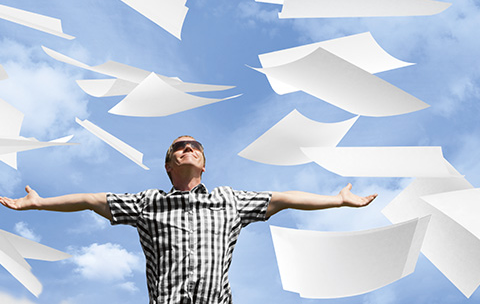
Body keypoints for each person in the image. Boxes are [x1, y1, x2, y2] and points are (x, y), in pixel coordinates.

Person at [0, 135, 377, 304]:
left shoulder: (229, 200)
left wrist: (337, 201)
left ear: (203, 161)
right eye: (180, 147)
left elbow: (285, 198)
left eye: (195, 146)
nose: (189, 149)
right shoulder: (148, 204)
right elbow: (89, 199)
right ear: (169, 164)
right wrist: (40, 203)